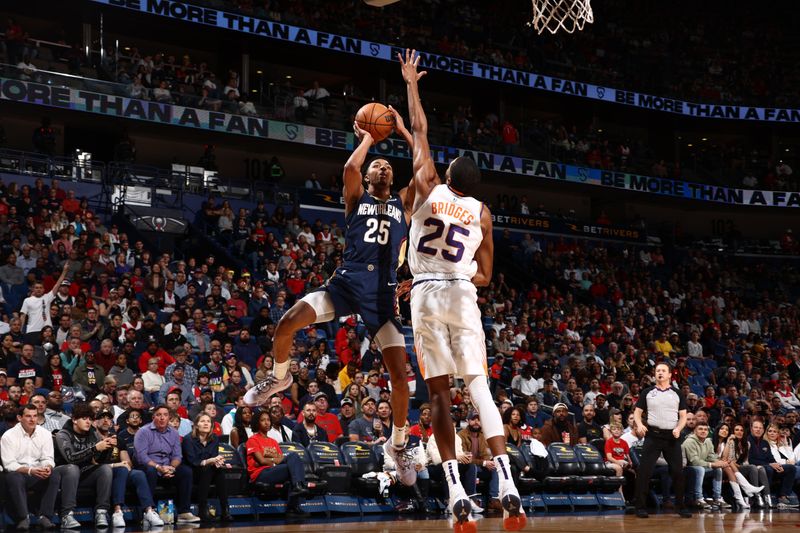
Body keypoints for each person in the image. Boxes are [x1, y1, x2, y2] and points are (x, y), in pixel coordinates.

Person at [244, 55, 419, 488]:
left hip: (382, 294)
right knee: (286, 324)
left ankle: (398, 443)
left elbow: (422, 169)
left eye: (386, 166)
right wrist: (367, 140)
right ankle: (280, 378)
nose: (382, 167)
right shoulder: (356, 198)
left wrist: (399, 133)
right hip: (345, 283)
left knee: (400, 376)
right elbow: (349, 169)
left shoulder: (403, 204)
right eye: (378, 165)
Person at [401, 48, 524, 531]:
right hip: (463, 294)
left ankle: (455, 488)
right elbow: (486, 277)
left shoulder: (429, 187)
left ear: (447, 176)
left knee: (439, 395)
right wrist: (457, 275)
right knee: (481, 391)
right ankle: (508, 483)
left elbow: (422, 135)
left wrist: (412, 84)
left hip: (427, 293)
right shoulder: (484, 213)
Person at [1, 403, 80, 530]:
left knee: (54, 472)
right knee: (13, 476)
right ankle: (23, 517)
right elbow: (9, 464)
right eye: (28, 416)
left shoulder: (45, 433)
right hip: (20, 474)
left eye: (35, 416)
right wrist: (31, 471)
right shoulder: (8, 436)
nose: (32, 419)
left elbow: (48, 458)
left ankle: (45, 516)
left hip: (38, 472)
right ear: (19, 418)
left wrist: (47, 467)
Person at [632, 362, 691, 518]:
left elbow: (683, 416)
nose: (660, 373)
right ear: (654, 374)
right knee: (644, 471)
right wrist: (639, 425)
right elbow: (637, 412)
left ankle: (681, 506)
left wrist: (679, 428)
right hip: (653, 435)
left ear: (670, 375)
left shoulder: (677, 393)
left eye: (663, 370)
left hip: (672, 436)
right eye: (657, 370)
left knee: (678, 472)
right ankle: (640, 507)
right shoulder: (647, 392)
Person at [134, 405, 200, 523]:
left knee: (186, 472)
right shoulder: (143, 432)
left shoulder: (174, 433)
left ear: (169, 417)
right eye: (159, 415)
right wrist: (159, 467)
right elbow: (142, 457)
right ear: (153, 417)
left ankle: (183, 512)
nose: (162, 418)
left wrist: (172, 468)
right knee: (150, 470)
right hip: (150, 466)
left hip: (167, 467)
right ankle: (148, 512)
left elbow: (177, 455)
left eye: (165, 415)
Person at [54, 402, 114, 528]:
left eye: (90, 419)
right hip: (62, 475)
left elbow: (99, 461)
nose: (88, 422)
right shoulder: (63, 434)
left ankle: (101, 512)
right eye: (84, 418)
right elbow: (70, 458)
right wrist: (95, 449)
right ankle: (67, 515)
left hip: (83, 473)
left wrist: (107, 447)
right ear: (75, 420)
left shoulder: (93, 434)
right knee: (72, 468)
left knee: (105, 469)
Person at [246, 410, 309, 517]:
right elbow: (261, 461)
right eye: (263, 420)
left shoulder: (273, 441)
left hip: (273, 471)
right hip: (260, 474)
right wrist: (274, 461)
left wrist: (272, 461)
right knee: (292, 463)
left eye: (268, 420)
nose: (267, 423)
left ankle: (295, 498)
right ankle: (295, 499)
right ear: (257, 423)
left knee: (293, 459)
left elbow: (281, 458)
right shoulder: (252, 440)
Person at [181, 413, 232, 522]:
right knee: (208, 470)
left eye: (208, 421)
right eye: (202, 421)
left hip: (209, 471)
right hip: (192, 472)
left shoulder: (214, 439)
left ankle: (225, 510)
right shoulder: (188, 439)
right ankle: (202, 509)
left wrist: (219, 462)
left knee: (220, 472)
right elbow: (192, 461)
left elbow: (214, 457)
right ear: (196, 425)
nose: (206, 424)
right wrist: (210, 461)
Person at [20, 263, 70, 345]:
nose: (39, 289)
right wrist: (21, 331)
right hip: (32, 330)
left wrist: (64, 271)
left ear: (44, 289)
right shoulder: (27, 300)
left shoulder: (47, 297)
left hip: (47, 331)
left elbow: (58, 284)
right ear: (33, 289)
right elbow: (23, 316)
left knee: (48, 354)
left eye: (40, 288)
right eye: (36, 288)